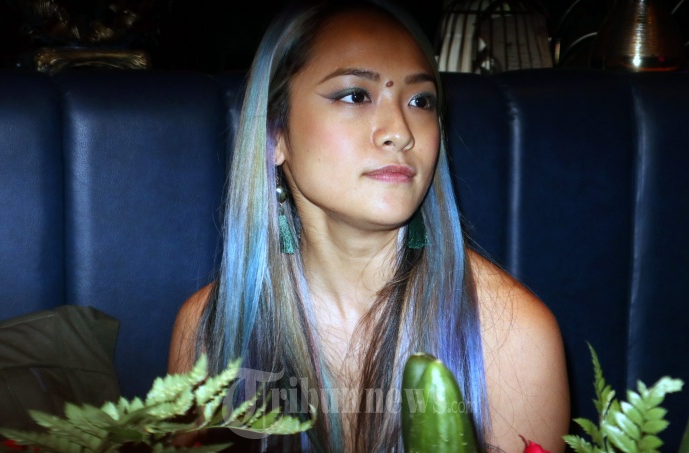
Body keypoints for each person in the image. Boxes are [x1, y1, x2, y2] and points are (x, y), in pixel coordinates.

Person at [169, 1, 570, 451]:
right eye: (355, 95)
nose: (400, 131)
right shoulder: (208, 329)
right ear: (275, 133)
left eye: (420, 101)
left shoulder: (512, 335)